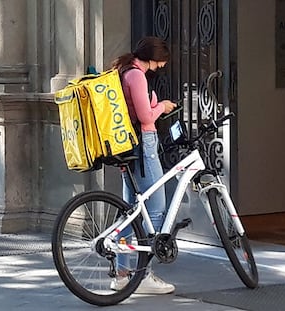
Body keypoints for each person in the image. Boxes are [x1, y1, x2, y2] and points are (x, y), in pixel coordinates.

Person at [110, 36, 177, 294]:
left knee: (131, 212)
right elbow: (145, 116)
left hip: (130, 147)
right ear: (153, 56)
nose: (162, 66)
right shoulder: (136, 76)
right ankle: (143, 275)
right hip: (143, 147)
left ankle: (123, 273)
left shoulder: (124, 71)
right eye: (162, 61)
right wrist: (163, 105)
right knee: (156, 210)